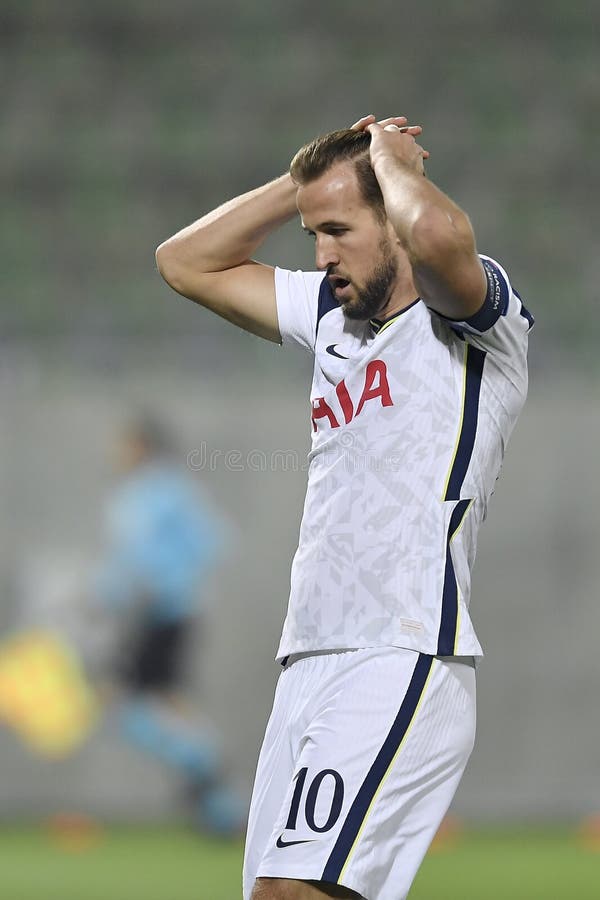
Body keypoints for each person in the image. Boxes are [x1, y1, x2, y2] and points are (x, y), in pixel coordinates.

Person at [156, 114, 533, 899]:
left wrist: (390, 164)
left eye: (338, 230)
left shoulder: (472, 322)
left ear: (393, 215)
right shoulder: (333, 315)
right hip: (310, 656)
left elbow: (435, 234)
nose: (322, 254)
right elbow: (185, 262)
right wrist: (303, 186)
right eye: (310, 234)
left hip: (400, 649)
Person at [94, 416, 243, 835]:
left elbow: (212, 541)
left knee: (136, 706)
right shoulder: (138, 493)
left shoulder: (164, 489)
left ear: (142, 446)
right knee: (152, 705)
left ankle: (207, 770)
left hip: (166, 614)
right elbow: (127, 562)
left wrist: (167, 582)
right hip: (148, 615)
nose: (116, 454)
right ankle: (216, 798)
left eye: (123, 444)